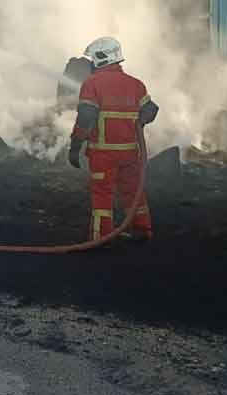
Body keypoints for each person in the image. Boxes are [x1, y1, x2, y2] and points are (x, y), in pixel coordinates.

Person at [68, 37, 159, 242]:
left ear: (101, 58)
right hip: (130, 153)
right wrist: (140, 121)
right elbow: (152, 109)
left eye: (93, 59)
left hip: (103, 154)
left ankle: (101, 237)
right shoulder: (136, 84)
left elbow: (86, 117)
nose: (91, 63)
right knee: (133, 191)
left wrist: (75, 146)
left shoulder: (92, 84)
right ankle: (143, 229)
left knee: (103, 196)